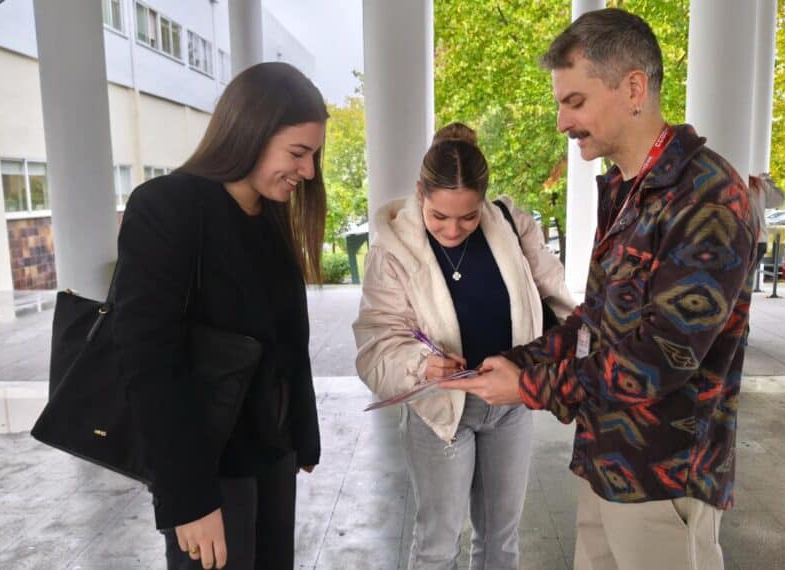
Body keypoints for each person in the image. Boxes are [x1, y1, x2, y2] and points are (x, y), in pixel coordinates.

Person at [441, 9, 758, 570]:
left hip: (665, 482)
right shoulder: (626, 190)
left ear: (633, 88)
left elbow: (662, 360)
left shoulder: (707, 196)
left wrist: (533, 385)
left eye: (575, 101)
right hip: (605, 465)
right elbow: (596, 325)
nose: (562, 121)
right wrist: (508, 362)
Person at [113, 62, 326, 570]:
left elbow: (286, 343)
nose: (309, 171)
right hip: (208, 467)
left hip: (271, 458)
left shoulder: (269, 217)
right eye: (298, 153)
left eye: (314, 155)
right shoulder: (167, 207)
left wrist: (301, 434)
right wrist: (188, 499)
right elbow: (148, 364)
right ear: (248, 132)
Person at [353, 122, 574, 569]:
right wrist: (422, 365)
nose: (453, 229)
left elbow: (561, 301)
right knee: (438, 545)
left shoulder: (512, 225)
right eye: (439, 216)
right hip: (441, 412)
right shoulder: (393, 249)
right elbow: (377, 340)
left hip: (511, 403)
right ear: (421, 192)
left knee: (501, 540)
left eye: (468, 216)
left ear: (484, 199)